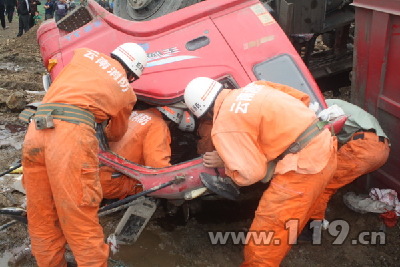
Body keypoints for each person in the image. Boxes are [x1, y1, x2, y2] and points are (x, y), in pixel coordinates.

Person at [184, 78, 337, 266]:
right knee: (311, 202)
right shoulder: (257, 86)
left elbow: (251, 174)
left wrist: (229, 163)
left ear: (204, 113)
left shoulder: (224, 125)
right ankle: (310, 229)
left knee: (265, 240)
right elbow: (302, 99)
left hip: (302, 170)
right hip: (326, 145)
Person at [21, 43, 147, 267]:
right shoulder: (126, 93)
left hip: (36, 130)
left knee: (41, 213)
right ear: (132, 76)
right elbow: (116, 134)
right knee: (80, 216)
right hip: (71, 138)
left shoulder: (84, 56)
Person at [308, 98, 390, 221]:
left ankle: (313, 222)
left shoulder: (321, 109)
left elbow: (313, 136)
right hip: (381, 150)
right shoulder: (329, 104)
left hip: (364, 147)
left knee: (325, 183)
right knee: (331, 177)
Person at [100, 106, 183, 200]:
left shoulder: (133, 113)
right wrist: (174, 183)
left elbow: (108, 134)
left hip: (95, 172)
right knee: (153, 188)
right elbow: (157, 168)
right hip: (111, 183)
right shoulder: (157, 125)